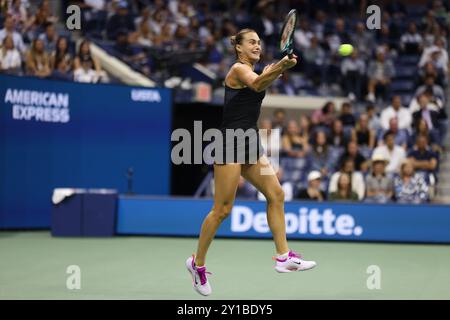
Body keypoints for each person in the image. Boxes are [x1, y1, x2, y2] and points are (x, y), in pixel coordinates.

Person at [186, 29, 316, 297]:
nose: (257, 46)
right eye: (252, 43)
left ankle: (283, 257)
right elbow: (257, 84)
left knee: (276, 194)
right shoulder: (237, 69)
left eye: (259, 42)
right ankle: (196, 264)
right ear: (239, 49)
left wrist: (279, 68)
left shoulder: (258, 71)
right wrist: (281, 66)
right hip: (228, 143)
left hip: (250, 141)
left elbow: (263, 80)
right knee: (222, 210)